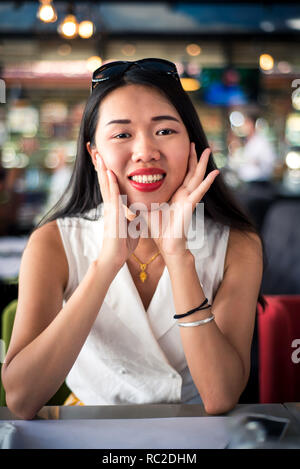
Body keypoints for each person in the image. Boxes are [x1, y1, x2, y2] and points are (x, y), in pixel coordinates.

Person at [2, 59, 265, 420]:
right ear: (95, 155)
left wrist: (178, 257)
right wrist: (107, 262)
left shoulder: (238, 244)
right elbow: (20, 399)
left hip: (194, 434)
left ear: (192, 144)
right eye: (122, 135)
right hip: (87, 432)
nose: (145, 151)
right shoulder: (54, 242)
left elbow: (220, 397)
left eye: (164, 131)